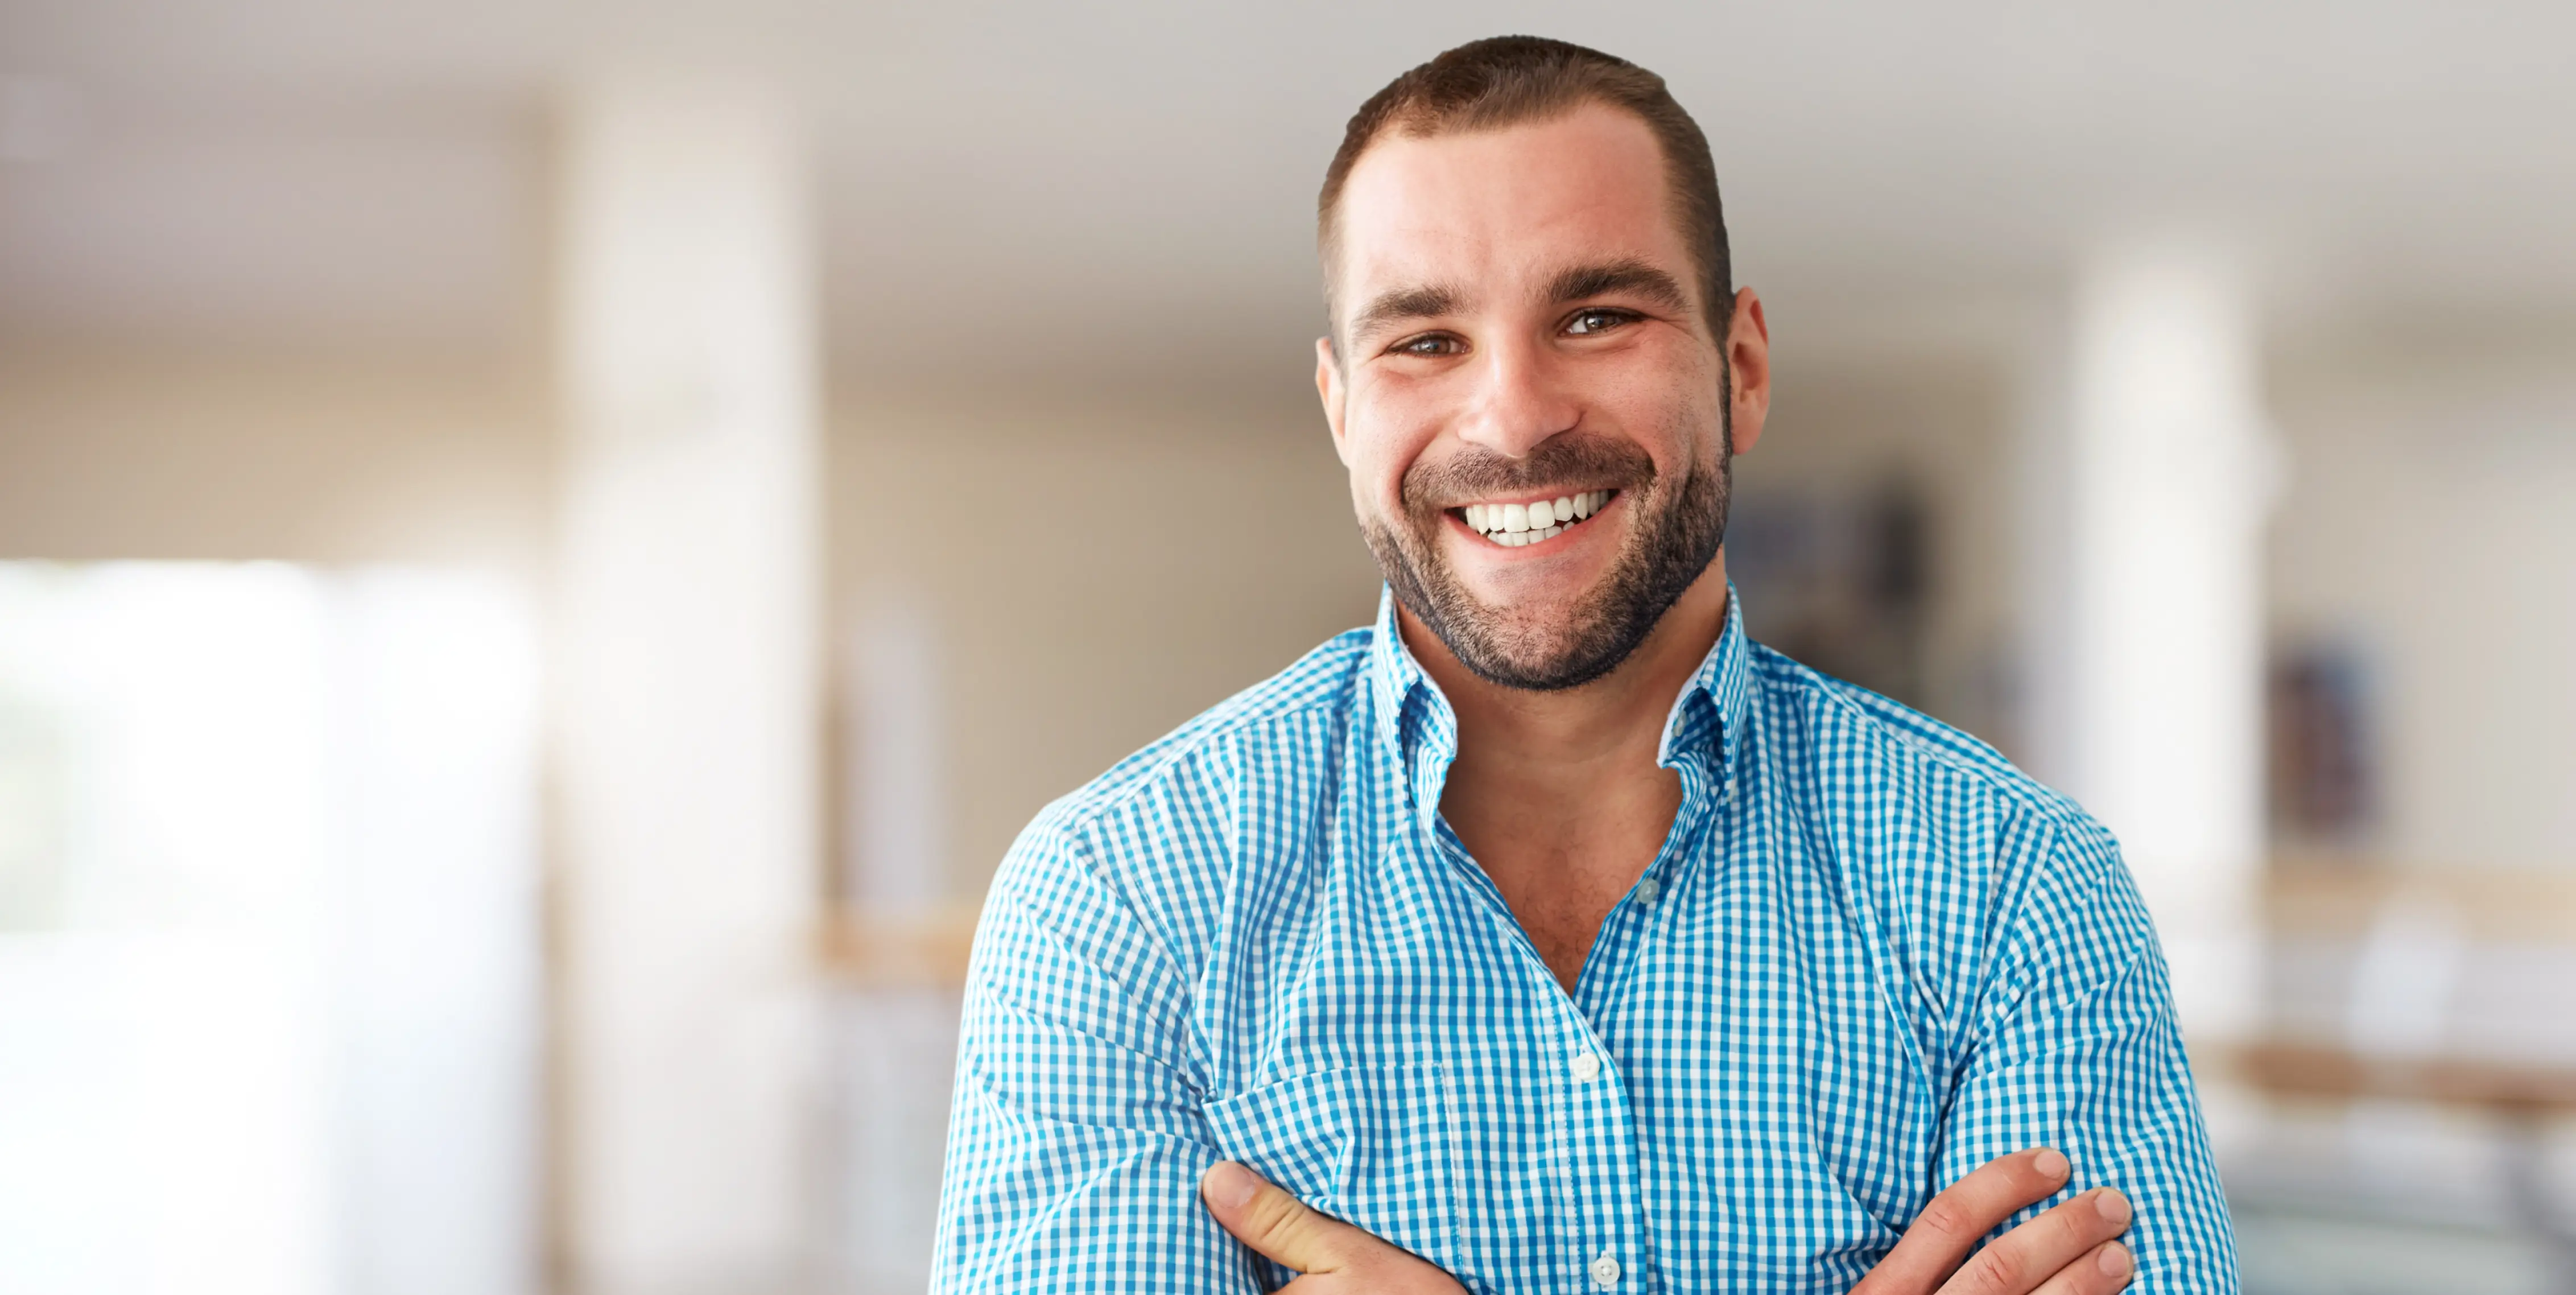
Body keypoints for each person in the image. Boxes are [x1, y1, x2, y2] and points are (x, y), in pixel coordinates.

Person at [931, 35, 2236, 1294]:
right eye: (1423, 340)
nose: (1513, 415)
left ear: (1739, 369)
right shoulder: (1117, 904)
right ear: (1341, 408)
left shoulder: (2012, 890)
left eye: (1596, 314)